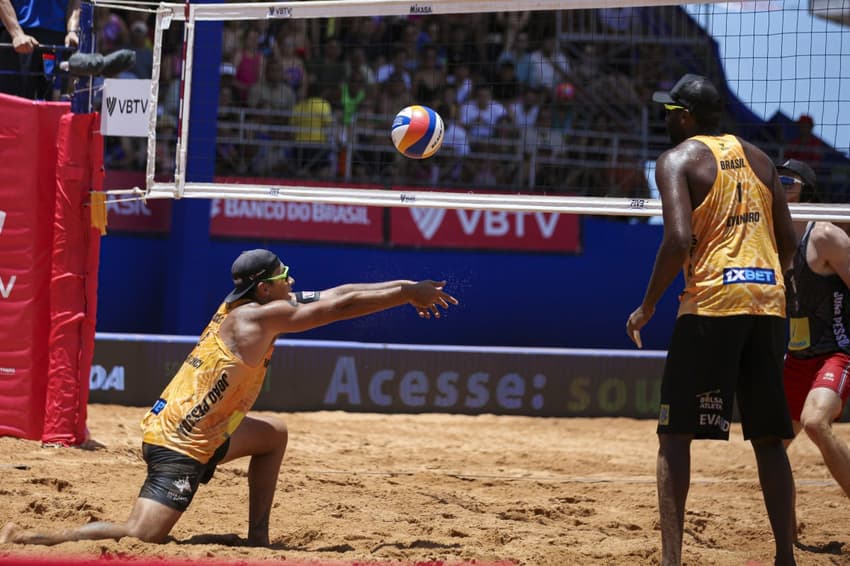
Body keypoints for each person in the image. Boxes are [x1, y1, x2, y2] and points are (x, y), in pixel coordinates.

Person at [0, 249, 458, 547]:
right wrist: (404, 296)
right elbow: (339, 308)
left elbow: (339, 293)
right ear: (265, 288)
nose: (292, 279)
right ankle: (34, 539)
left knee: (273, 434)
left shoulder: (253, 304)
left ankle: (257, 538)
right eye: (284, 276)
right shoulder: (254, 320)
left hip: (209, 428)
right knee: (142, 534)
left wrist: (408, 287)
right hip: (180, 441)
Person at [625, 74, 798, 566]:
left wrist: (648, 305)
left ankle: (671, 561)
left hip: (712, 301)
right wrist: (769, 279)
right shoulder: (760, 158)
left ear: (686, 117)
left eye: (669, 112)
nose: (664, 119)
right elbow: (787, 240)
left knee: (674, 436)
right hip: (768, 300)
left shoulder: (677, 159)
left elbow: (678, 239)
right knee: (769, 439)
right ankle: (785, 557)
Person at [778, 158, 850, 539]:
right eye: (775, 179)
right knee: (770, 447)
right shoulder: (772, 238)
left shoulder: (824, 235)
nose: (778, 185)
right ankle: (789, 535)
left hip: (838, 351)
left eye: (787, 181)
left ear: (805, 191)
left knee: (815, 422)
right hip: (797, 356)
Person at [0, 0, 80, 99]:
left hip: (59, 41)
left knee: (56, 103)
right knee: (13, 103)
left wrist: (72, 31)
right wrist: (17, 34)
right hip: (19, 38)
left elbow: (75, 2)